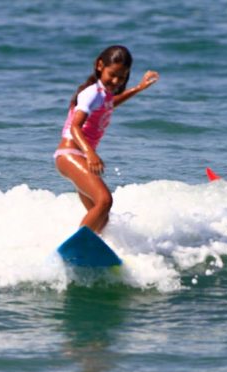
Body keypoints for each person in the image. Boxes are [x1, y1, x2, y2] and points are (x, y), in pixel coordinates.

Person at [54, 45, 159, 233]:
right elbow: (74, 127)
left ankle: (90, 249)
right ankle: (79, 246)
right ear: (100, 65)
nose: (116, 80)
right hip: (70, 154)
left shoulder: (104, 96)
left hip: (78, 155)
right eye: (112, 74)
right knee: (105, 201)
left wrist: (138, 88)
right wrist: (90, 153)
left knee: (101, 218)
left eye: (122, 76)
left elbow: (111, 104)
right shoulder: (91, 92)